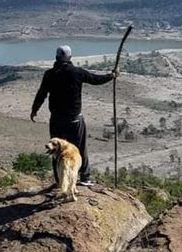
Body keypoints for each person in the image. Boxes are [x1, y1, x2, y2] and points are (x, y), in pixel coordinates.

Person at [30, 45, 118, 186]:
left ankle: (60, 180)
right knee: (80, 147)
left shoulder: (50, 74)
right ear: (70, 57)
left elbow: (42, 93)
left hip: (56, 119)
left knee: (56, 150)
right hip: (74, 119)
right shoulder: (77, 72)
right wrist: (112, 75)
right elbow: (96, 80)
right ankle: (84, 177)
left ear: (57, 57)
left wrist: (34, 109)